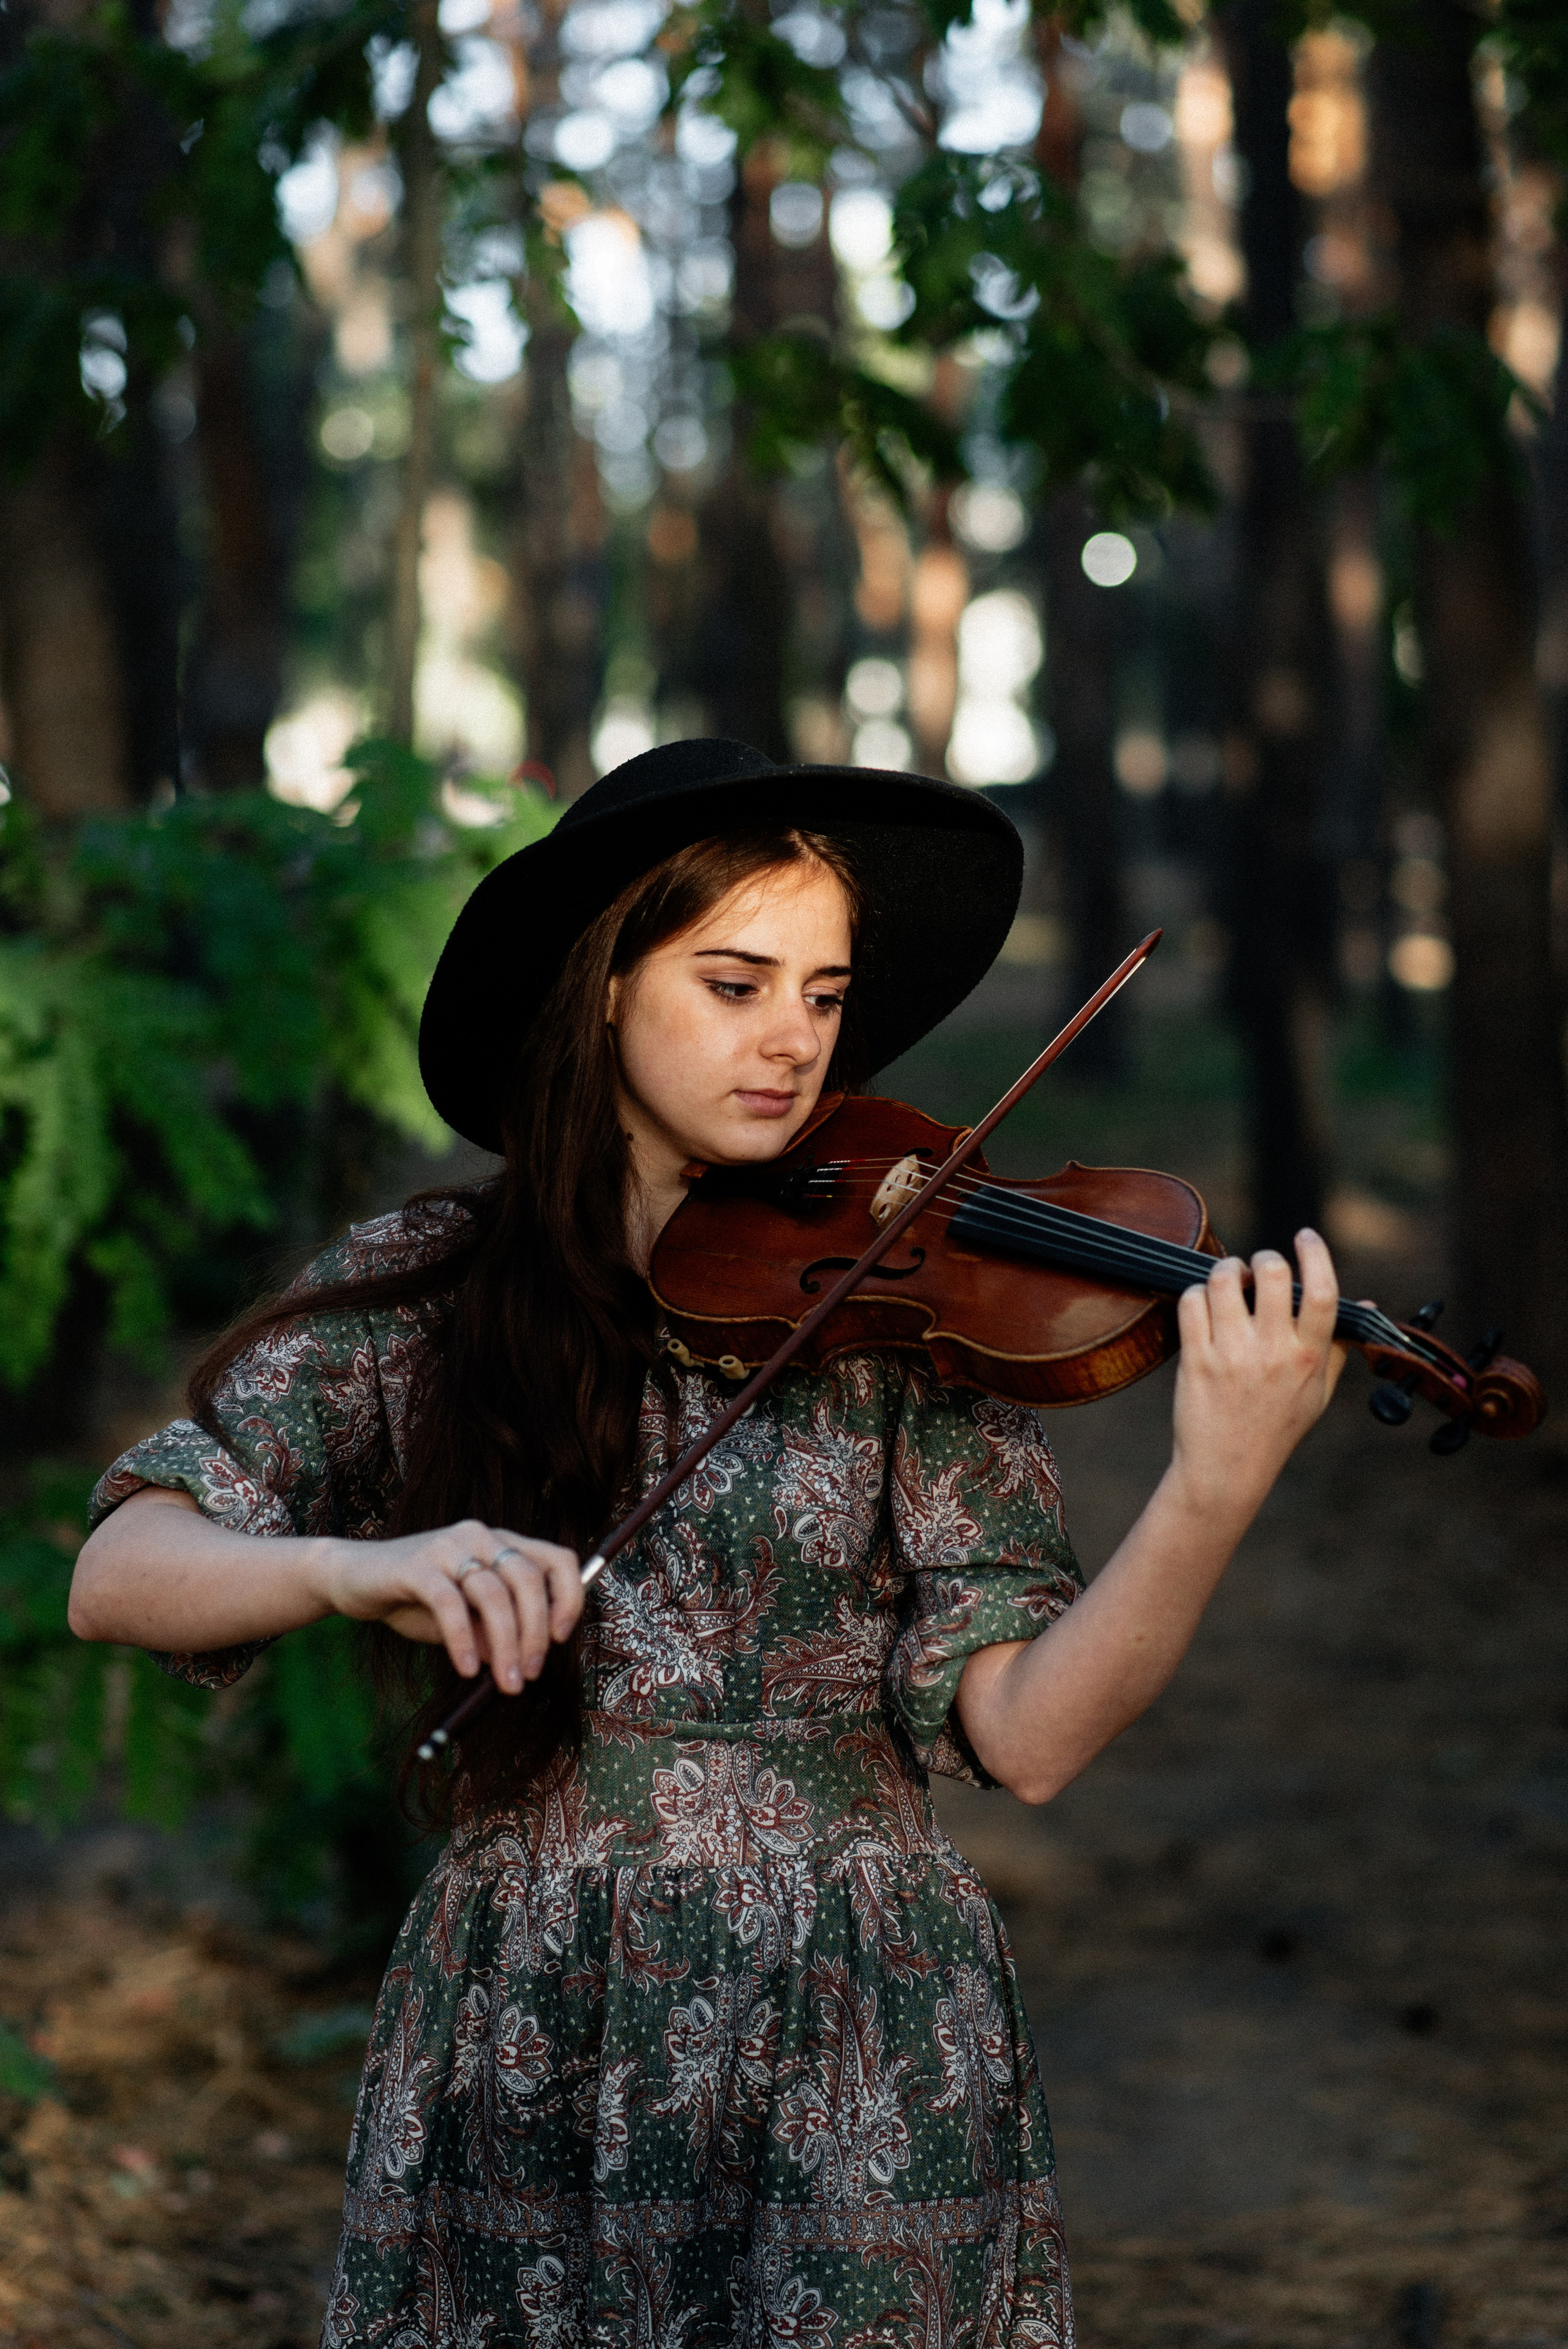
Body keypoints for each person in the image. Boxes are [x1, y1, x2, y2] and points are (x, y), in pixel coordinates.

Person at [70, 738, 1347, 2348]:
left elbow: (1029, 1733)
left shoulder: (892, 1309)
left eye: (822, 994)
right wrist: (354, 1566)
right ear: (603, 981)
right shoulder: (443, 1289)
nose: (793, 1043)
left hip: (857, 2017)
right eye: (736, 982)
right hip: (536, 2004)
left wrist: (1213, 1486)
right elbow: (121, 1571)